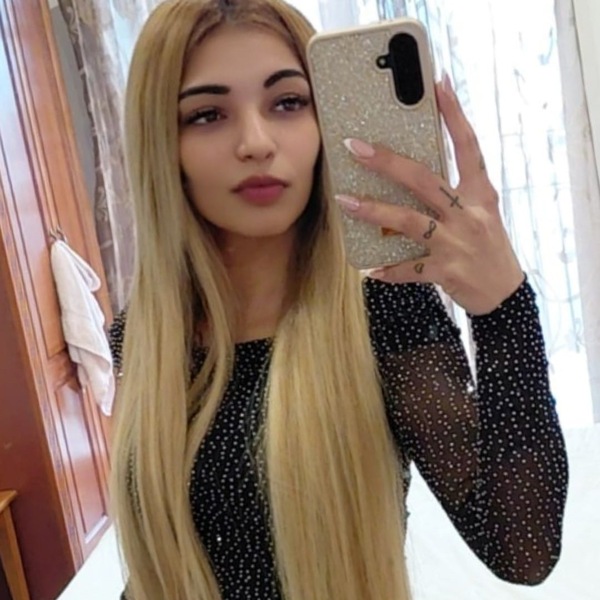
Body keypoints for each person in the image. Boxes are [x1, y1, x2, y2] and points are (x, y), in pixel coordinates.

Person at [108, 0, 569, 598]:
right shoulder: (142, 335)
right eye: (207, 114)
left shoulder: (385, 315)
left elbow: (523, 548)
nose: (256, 142)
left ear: (325, 119)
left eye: (288, 103)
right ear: (162, 146)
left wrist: (504, 308)